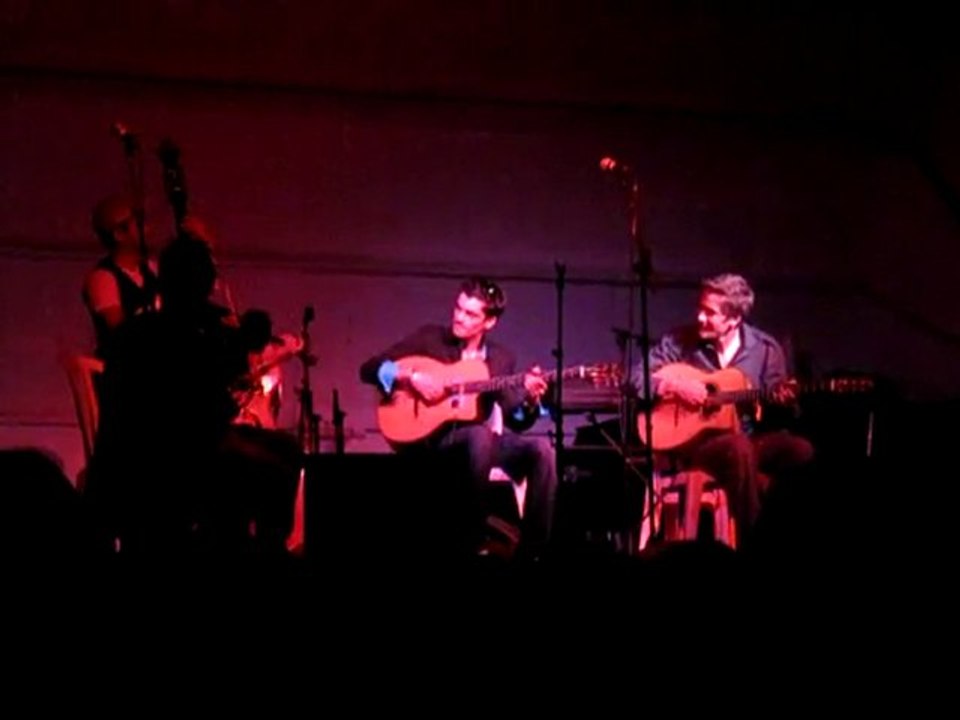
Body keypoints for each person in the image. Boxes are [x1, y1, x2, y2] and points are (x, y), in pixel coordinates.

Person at [359, 277, 557, 561]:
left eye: (470, 314)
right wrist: (410, 376)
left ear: (489, 322)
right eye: (458, 308)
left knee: (541, 451)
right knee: (479, 434)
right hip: (434, 441)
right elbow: (368, 368)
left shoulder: (500, 359)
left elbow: (516, 418)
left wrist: (530, 399)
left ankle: (534, 551)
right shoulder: (430, 339)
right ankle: (472, 539)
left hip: (482, 444)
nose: (459, 317)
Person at [631, 273, 814, 547]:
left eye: (710, 313)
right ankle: (754, 544)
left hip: (748, 439)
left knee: (800, 450)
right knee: (738, 449)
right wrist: (673, 386)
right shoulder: (681, 341)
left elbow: (781, 411)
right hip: (695, 445)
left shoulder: (765, 350)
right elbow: (635, 378)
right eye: (700, 308)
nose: (700, 317)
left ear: (734, 319)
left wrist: (782, 402)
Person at [82, 193, 159, 359]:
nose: (146, 228)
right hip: (125, 373)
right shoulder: (103, 278)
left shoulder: (153, 270)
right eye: (137, 223)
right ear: (119, 234)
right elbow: (121, 335)